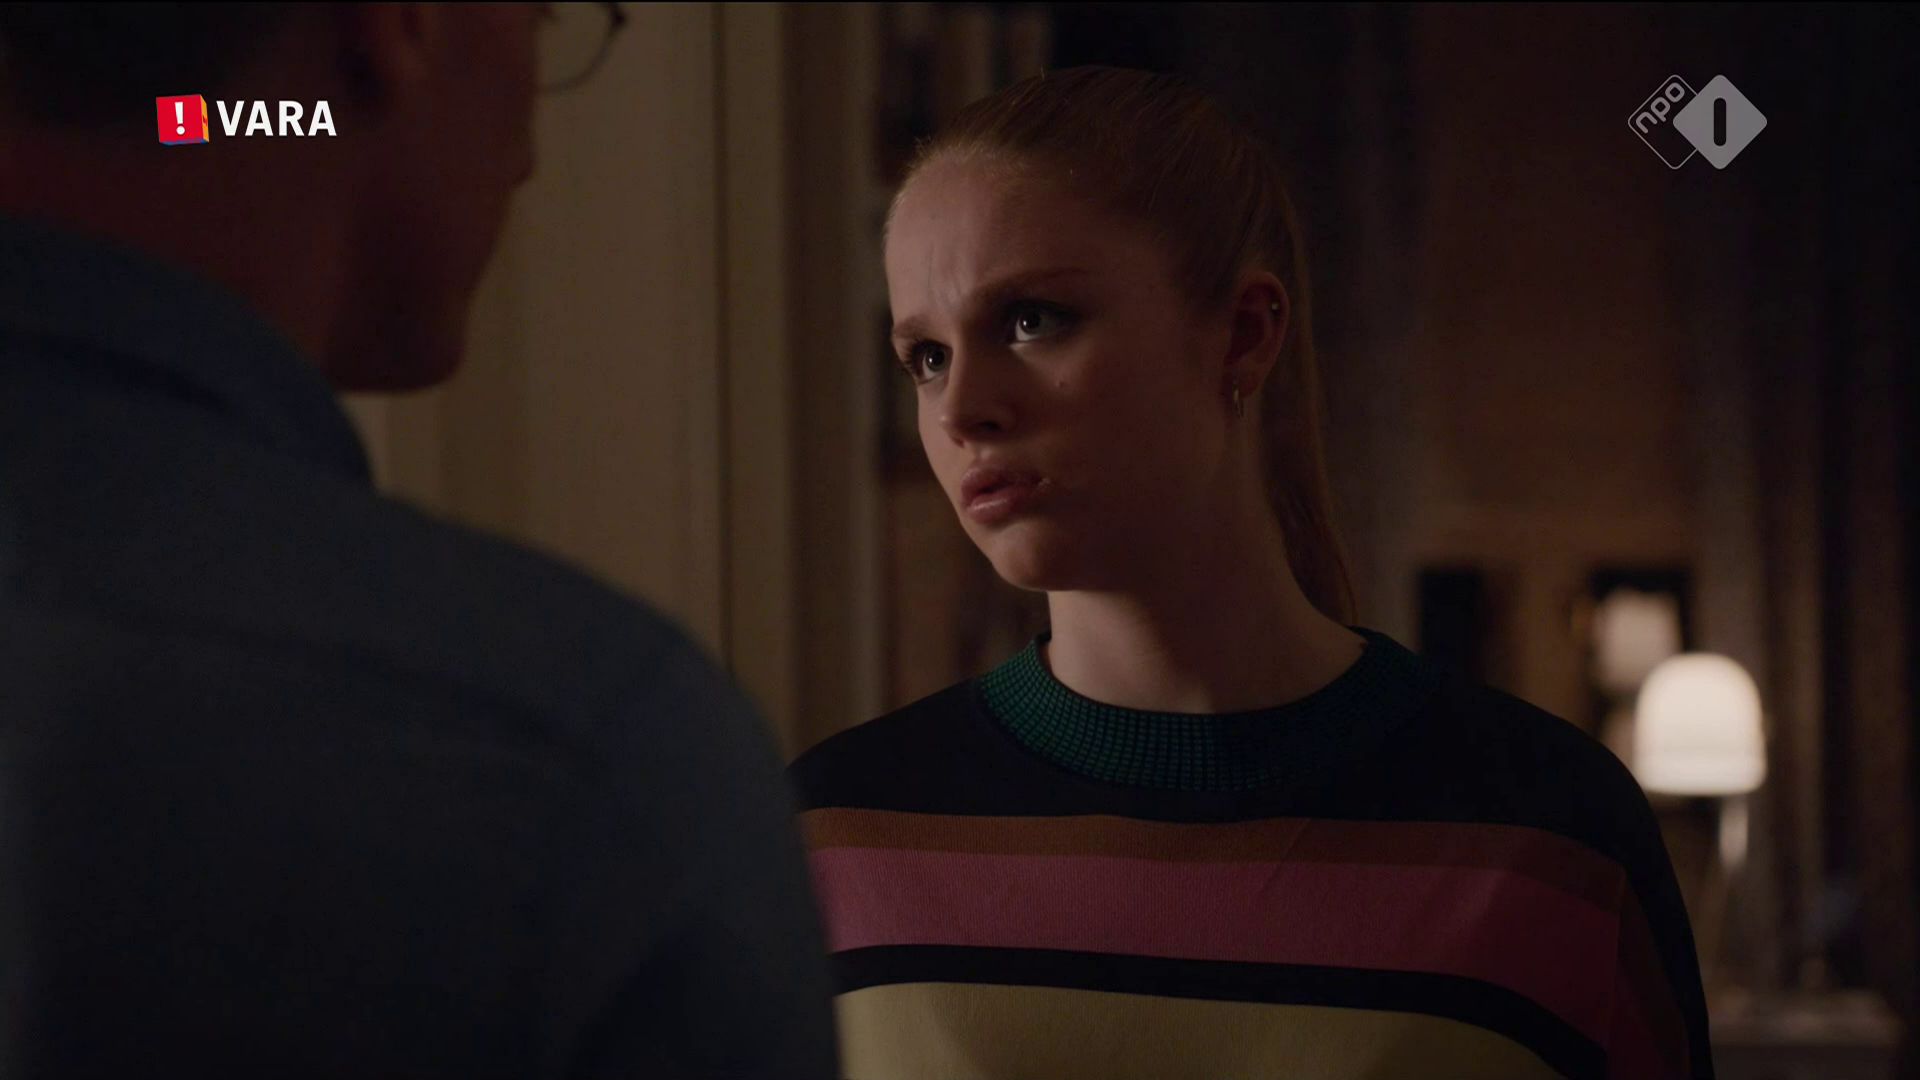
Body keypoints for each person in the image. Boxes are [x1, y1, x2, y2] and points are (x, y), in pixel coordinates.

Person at [790, 65, 1714, 1079]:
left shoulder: (1553, 844)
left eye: (1031, 320)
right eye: (926, 356)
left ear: (1243, 333)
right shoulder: (833, 843)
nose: (963, 408)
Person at [0, 5, 837, 1077]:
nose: (530, 154)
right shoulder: (578, 774)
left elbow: (200, 119)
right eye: (542, 17)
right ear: (401, 24)